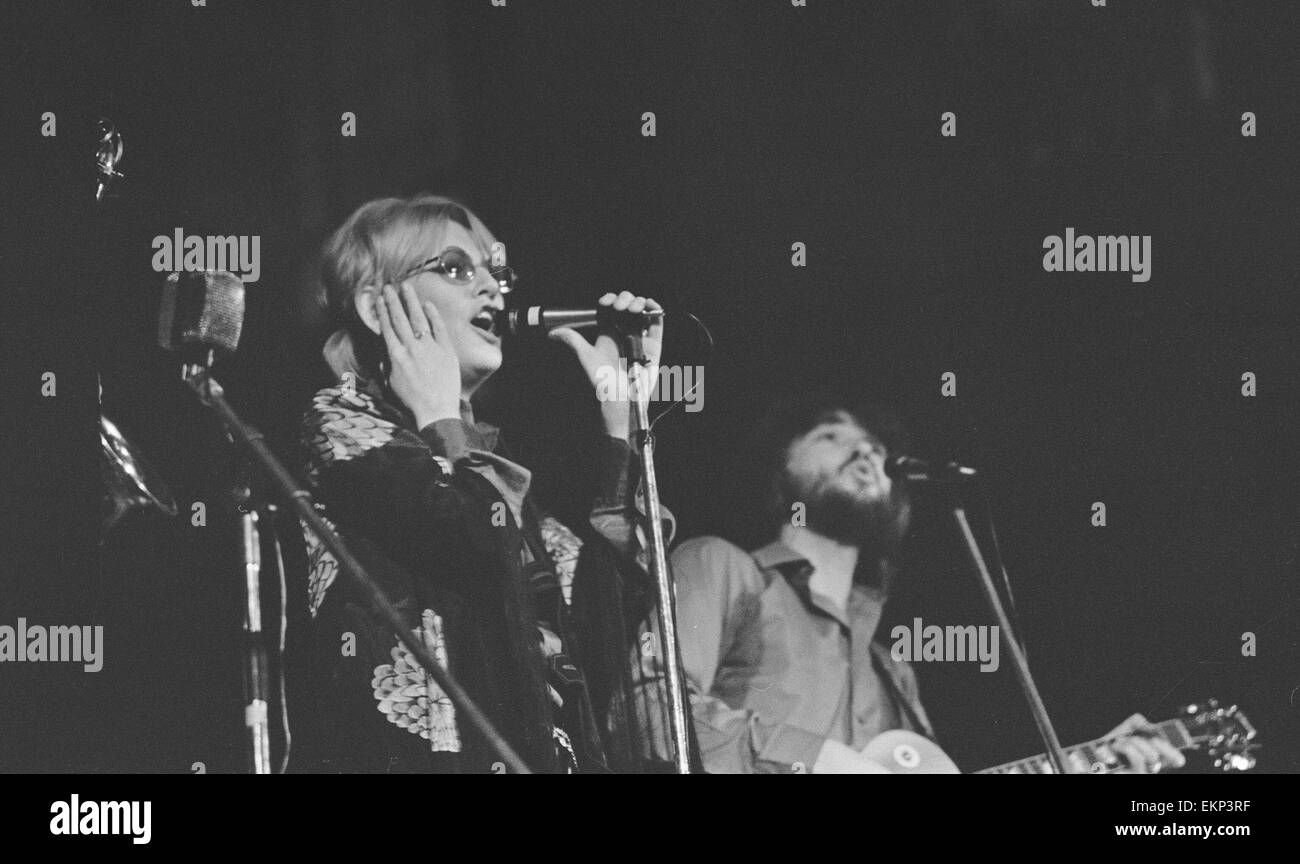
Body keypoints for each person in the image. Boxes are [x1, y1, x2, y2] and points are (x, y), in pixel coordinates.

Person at [296, 193, 669, 773]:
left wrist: (622, 422)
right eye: (454, 268)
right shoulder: (342, 427)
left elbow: (602, 630)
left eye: (497, 273)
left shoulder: (493, 464)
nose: (493, 289)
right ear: (375, 307)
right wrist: (442, 419)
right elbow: (466, 543)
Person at [643, 394, 1187, 774]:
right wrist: (816, 758)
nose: (866, 451)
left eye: (876, 448)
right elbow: (649, 714)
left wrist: (1087, 763)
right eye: (831, 436)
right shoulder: (722, 566)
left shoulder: (894, 671)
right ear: (780, 472)